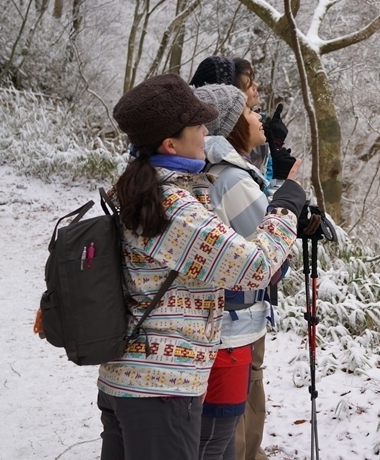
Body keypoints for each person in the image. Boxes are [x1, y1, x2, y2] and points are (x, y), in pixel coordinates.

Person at [97, 73, 306, 460]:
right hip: (161, 391)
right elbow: (255, 266)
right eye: (198, 125)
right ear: (169, 142)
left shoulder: (140, 188)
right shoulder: (171, 207)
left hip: (128, 379)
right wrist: (286, 206)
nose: (206, 132)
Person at [190, 56, 296, 460]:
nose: (257, 99)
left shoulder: (214, 166)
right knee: (223, 422)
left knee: (245, 392)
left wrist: (271, 153)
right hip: (229, 321)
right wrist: (287, 209)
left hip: (231, 319)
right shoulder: (225, 175)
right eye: (248, 94)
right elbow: (261, 255)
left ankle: (249, 451)